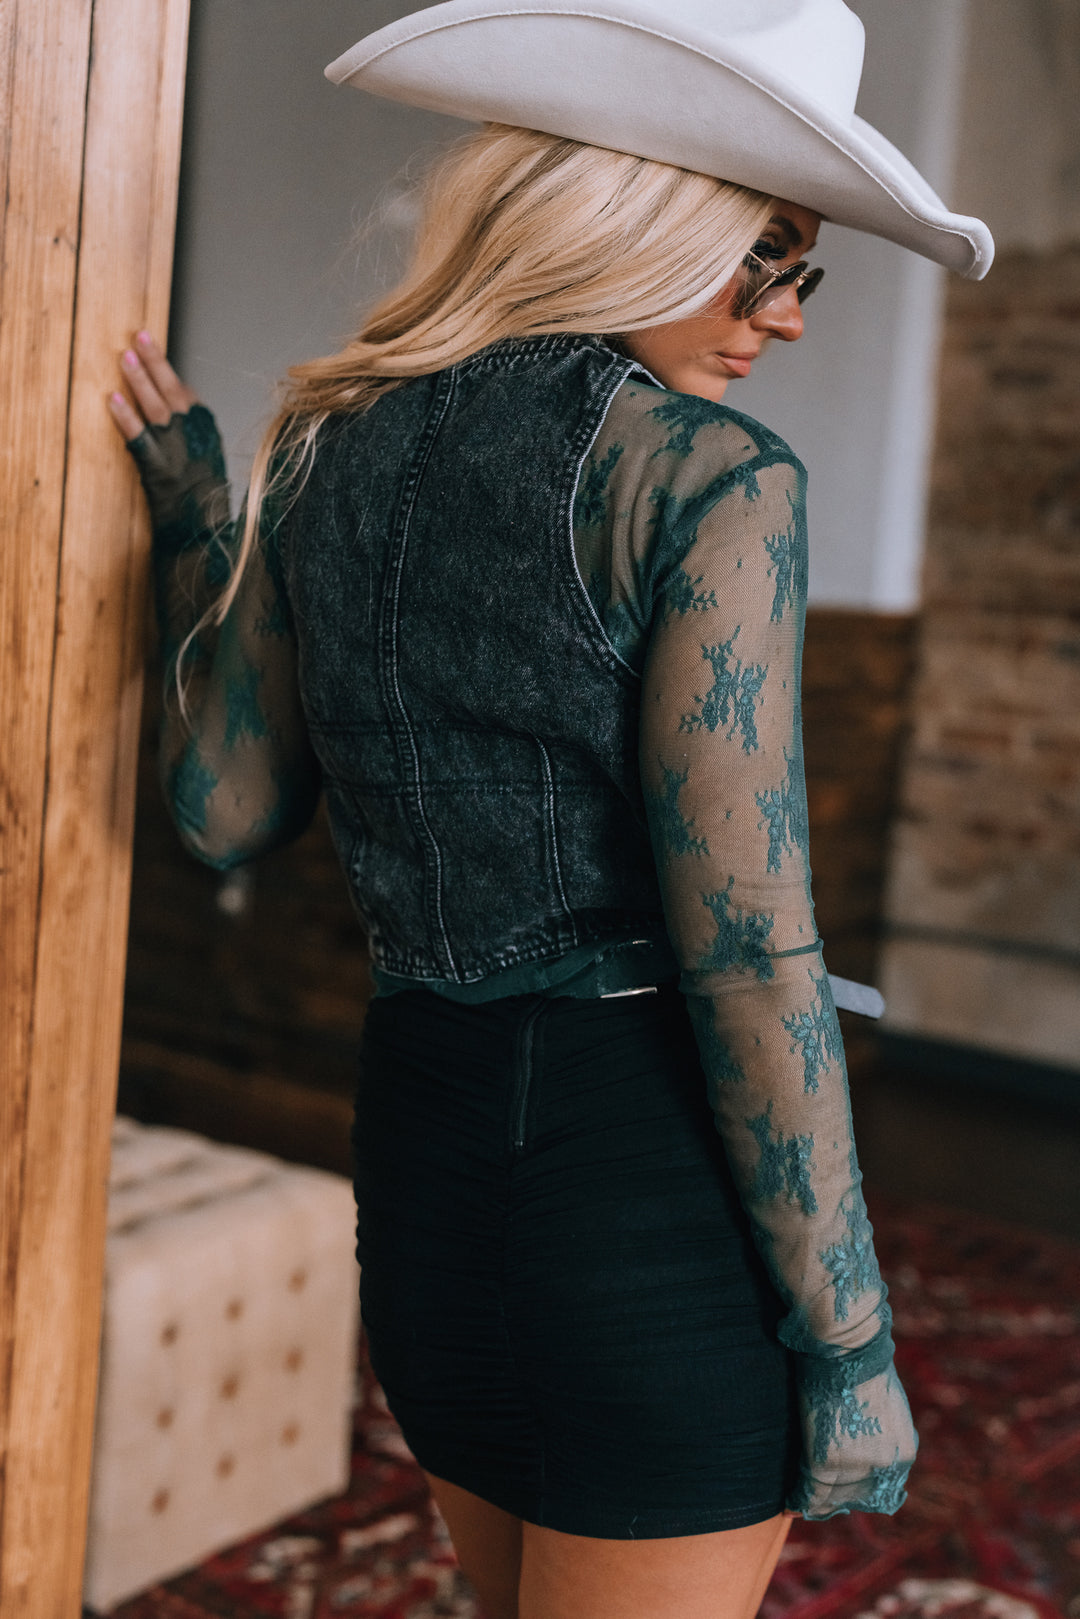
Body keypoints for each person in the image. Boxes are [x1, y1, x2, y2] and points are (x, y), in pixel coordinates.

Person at [109, 4, 993, 1616]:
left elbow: (223, 809)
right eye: (766, 261)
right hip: (642, 1198)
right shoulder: (712, 478)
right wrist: (852, 1338)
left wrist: (192, 525)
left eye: (804, 277)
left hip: (427, 1172)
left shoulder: (329, 445)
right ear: (639, 212)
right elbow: (749, 952)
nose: (784, 320)